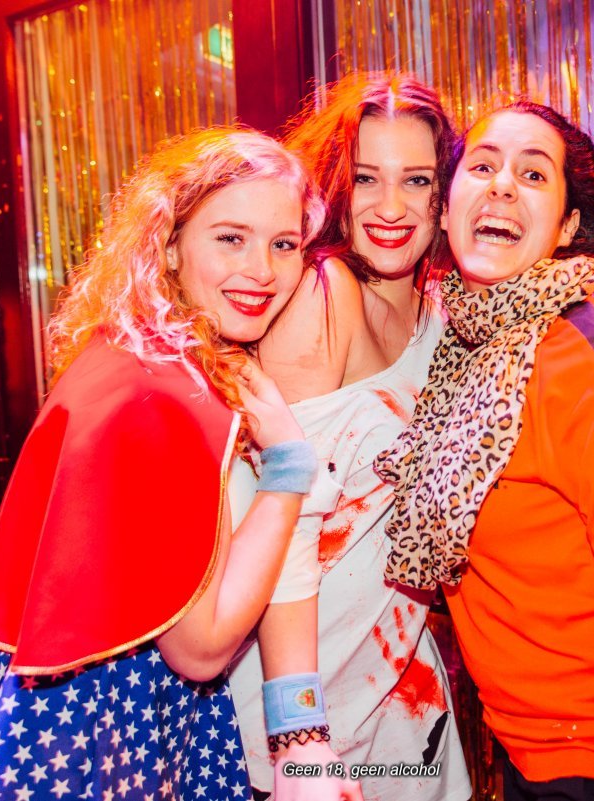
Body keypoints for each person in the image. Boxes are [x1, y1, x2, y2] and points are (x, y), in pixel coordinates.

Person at [0, 128, 341, 801]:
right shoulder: (159, 395)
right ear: (169, 244)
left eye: (283, 244)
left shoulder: (139, 355)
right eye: (231, 238)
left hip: (92, 712)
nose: (262, 269)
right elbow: (200, 649)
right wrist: (289, 468)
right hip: (102, 731)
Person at [376, 101, 594, 801]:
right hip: (530, 748)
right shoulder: (462, 353)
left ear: (567, 227)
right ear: (446, 210)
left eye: (533, 174)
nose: (503, 186)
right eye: (482, 167)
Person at [226, 73, 471, 801]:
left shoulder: (437, 314)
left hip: (399, 686)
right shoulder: (324, 295)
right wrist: (298, 733)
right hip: (305, 692)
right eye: (366, 178)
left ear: (443, 195)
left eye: (416, 179)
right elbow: (283, 523)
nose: (391, 207)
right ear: (335, 185)